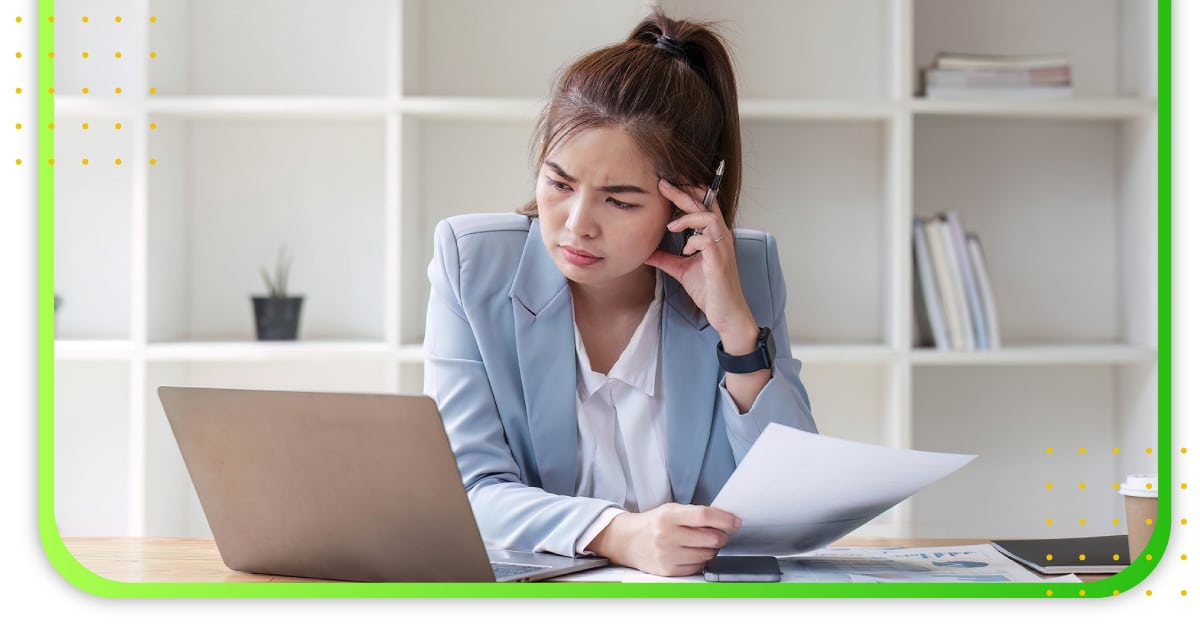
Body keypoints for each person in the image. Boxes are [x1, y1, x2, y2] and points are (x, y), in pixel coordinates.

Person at [422, 8, 817, 578]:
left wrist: (737, 331)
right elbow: (466, 489)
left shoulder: (746, 270)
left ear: (690, 200)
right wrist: (617, 533)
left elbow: (796, 499)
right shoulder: (473, 261)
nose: (576, 224)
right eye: (559, 183)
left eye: (621, 200)